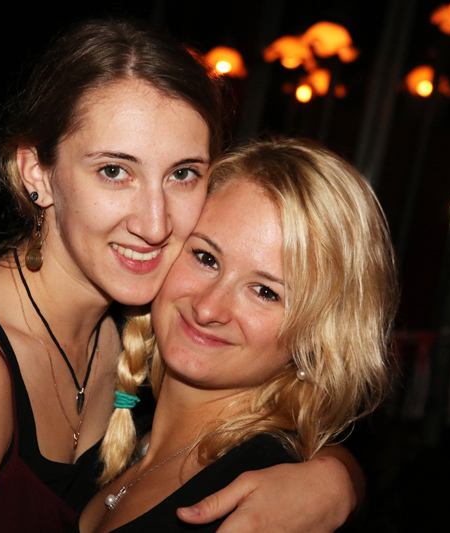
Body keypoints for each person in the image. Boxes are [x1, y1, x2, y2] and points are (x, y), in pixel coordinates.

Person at [0, 19, 360, 533]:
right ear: (37, 172)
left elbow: (259, 408)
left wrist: (335, 477)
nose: (154, 223)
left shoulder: (144, 332)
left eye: (182, 174)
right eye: (114, 171)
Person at [78, 138, 399, 532]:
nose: (208, 308)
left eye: (265, 292)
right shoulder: (118, 423)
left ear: (317, 336)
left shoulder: (264, 505)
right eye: (206, 258)